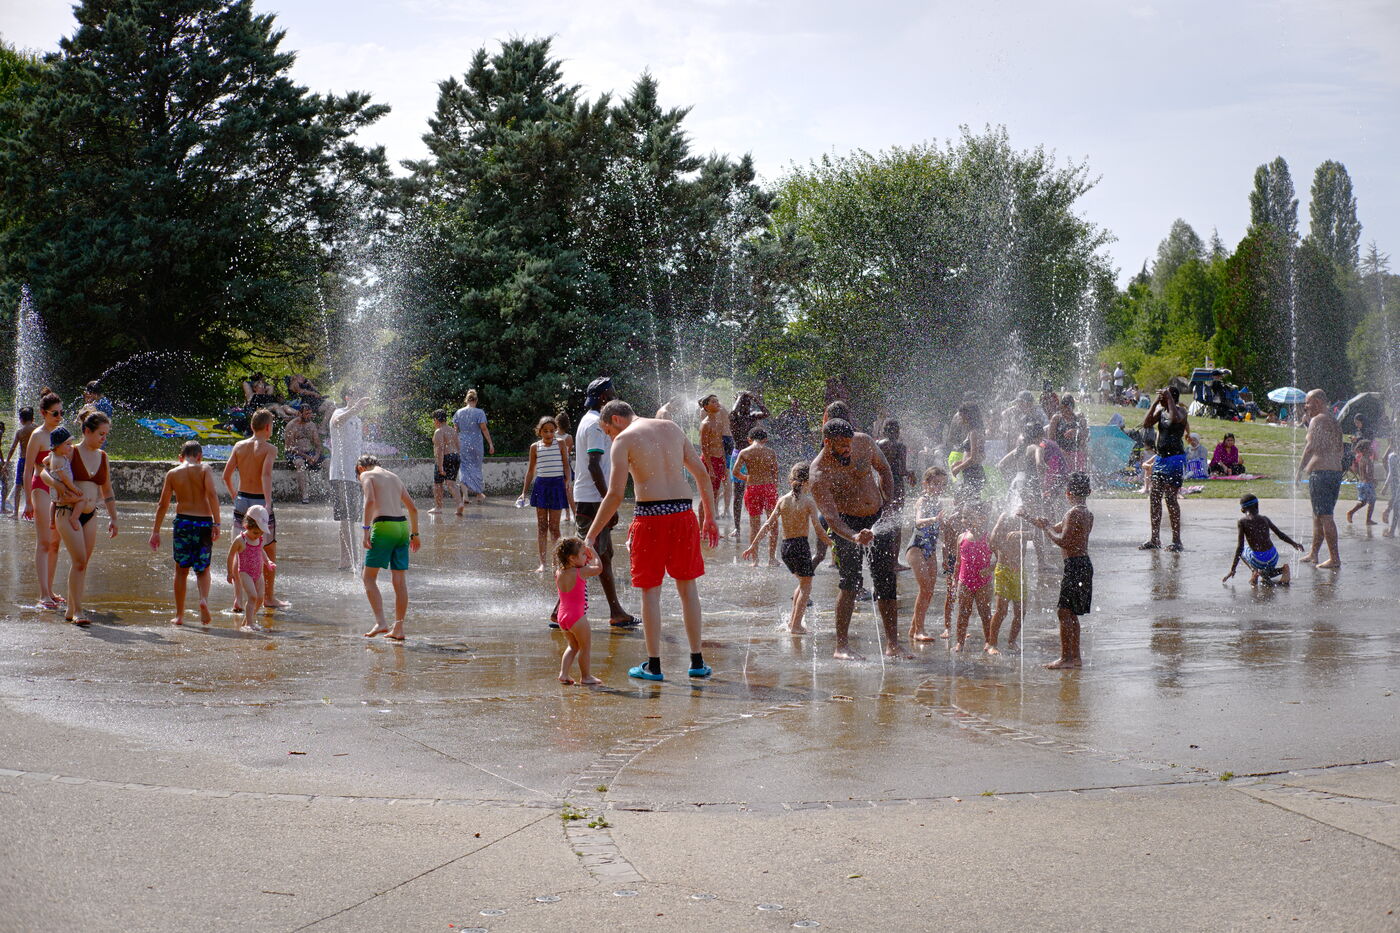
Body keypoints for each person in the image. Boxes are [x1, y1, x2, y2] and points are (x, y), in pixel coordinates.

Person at [584, 400, 720, 680]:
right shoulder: (672, 427)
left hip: (650, 517)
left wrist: (591, 534)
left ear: (616, 419)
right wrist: (710, 516)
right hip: (683, 514)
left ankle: (654, 666)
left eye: (607, 431)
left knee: (650, 592)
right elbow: (702, 474)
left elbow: (615, 494)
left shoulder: (624, 439)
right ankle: (696, 662)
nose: (609, 437)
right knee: (688, 588)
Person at [809, 418, 908, 660]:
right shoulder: (819, 472)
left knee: (886, 580)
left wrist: (888, 503)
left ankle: (893, 644)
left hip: (877, 518)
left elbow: (884, 470)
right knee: (850, 583)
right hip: (846, 526)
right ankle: (841, 647)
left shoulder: (863, 442)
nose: (848, 449)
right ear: (827, 442)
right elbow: (831, 518)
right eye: (842, 445)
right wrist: (854, 536)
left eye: (849, 443)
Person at [571, 378, 638, 629]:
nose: (615, 397)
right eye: (612, 393)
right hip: (593, 500)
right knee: (587, 555)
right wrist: (608, 501)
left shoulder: (589, 421)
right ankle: (563, 611)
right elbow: (593, 466)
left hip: (590, 498)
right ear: (603, 398)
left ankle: (615, 611)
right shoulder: (596, 425)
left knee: (601, 555)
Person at [42, 411, 118, 625]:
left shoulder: (103, 457)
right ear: (87, 431)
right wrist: (56, 484)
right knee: (79, 560)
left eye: (106, 434)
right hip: (67, 512)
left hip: (90, 514)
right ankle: (78, 611)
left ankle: (70, 609)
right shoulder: (70, 451)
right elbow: (42, 470)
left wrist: (114, 518)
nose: (104, 438)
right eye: (101, 434)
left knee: (82, 564)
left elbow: (107, 490)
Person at [743, 463, 833, 634]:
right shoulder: (808, 502)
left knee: (802, 583)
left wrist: (753, 545)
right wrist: (831, 543)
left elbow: (768, 524)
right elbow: (818, 529)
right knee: (806, 587)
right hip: (800, 546)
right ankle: (796, 626)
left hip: (785, 548)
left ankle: (793, 622)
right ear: (808, 481)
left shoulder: (782, 500)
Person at [1022, 471, 1095, 670]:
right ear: (1089, 491)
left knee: (1064, 612)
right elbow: (1052, 527)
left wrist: (1046, 528)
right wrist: (1028, 517)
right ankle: (1075, 658)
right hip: (1082, 565)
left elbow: (1062, 540)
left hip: (1075, 566)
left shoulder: (1073, 513)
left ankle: (1065, 658)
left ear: (1067, 493)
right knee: (1071, 613)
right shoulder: (1086, 513)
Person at [150, 440, 222, 625]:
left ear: (180, 457)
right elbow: (212, 495)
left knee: (181, 571)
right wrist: (217, 523)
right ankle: (203, 599)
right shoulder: (204, 469)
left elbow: (163, 504)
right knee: (203, 569)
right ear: (200, 456)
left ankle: (180, 615)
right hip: (203, 523)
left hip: (183, 522)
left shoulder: (173, 473)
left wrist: (156, 531)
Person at [223, 409, 287, 610]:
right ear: (268, 427)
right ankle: (269, 597)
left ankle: (237, 599)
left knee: (239, 548)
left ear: (252, 426)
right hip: (260, 501)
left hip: (242, 499)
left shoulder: (239, 446)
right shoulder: (269, 448)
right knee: (268, 548)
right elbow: (265, 475)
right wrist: (267, 503)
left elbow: (226, 475)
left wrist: (234, 495)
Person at [358, 454, 421, 640]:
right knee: (399, 581)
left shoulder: (366, 475)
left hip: (384, 527)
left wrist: (366, 531)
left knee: (368, 577)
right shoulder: (394, 477)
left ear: (360, 468)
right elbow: (413, 508)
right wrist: (415, 534)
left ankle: (381, 622)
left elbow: (370, 501)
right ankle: (398, 628)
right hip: (402, 527)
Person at [23, 391, 67, 608]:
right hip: (40, 487)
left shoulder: (61, 433)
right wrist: (27, 501)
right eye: (54, 413)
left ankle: (50, 590)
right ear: (43, 413)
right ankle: (43, 594)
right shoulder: (37, 435)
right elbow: (27, 469)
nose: (59, 416)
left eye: (61, 412)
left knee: (55, 542)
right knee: (44, 541)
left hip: (58, 490)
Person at [1295, 389, 1343, 569]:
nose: (1305, 407)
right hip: (1335, 473)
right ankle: (1314, 553)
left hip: (1321, 474)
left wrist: (1300, 470)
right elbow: (1339, 448)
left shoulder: (1317, 420)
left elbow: (1310, 447)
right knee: (1318, 515)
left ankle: (1334, 558)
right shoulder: (1334, 421)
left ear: (1317, 402)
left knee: (1325, 516)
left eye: (1307, 402)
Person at [519, 416, 574, 572]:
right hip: (541, 486)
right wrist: (523, 492)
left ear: (555, 430)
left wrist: (568, 481)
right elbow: (531, 471)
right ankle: (542, 563)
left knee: (554, 527)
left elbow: (566, 465)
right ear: (539, 432)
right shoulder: (535, 447)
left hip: (557, 485)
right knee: (542, 526)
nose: (549, 434)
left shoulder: (560, 443)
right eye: (545, 431)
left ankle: (557, 562)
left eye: (551, 431)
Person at [1140, 387, 1189, 551]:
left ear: (1170, 397)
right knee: (1154, 497)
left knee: (1170, 498)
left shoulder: (1181, 411)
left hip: (1175, 459)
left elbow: (1174, 419)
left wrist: (1168, 399)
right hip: (1161, 459)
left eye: (1162, 396)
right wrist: (1154, 403)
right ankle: (1154, 539)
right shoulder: (1161, 412)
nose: (1160, 398)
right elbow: (1146, 423)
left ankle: (1177, 540)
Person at [903, 467, 949, 643]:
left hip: (930, 551)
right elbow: (918, 522)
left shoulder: (939, 504)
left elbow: (940, 532)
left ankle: (913, 628)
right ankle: (919, 631)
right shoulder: (923, 501)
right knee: (925, 588)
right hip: (916, 548)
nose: (939, 488)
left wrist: (948, 544)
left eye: (943, 485)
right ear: (926, 484)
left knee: (929, 591)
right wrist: (934, 519)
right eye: (936, 484)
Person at [553, 538, 605, 685]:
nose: (586, 556)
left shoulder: (559, 572)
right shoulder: (580, 572)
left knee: (573, 646)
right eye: (583, 554)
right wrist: (593, 551)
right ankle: (586, 677)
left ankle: (563, 674)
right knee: (585, 647)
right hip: (577, 617)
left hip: (562, 617)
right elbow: (599, 568)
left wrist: (583, 554)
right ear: (572, 558)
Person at [329, 389, 370, 570]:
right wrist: (354, 409)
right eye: (355, 397)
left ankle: (352, 558)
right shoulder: (339, 412)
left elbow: (357, 449)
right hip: (340, 474)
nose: (358, 401)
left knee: (353, 519)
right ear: (347, 398)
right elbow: (337, 422)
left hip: (354, 476)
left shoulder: (358, 420)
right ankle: (346, 560)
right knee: (345, 518)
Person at [1224, 493, 1303, 586]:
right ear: (1257, 506)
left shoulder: (1242, 522)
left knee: (1242, 551)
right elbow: (1280, 534)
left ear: (1242, 510)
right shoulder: (1265, 519)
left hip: (1258, 560)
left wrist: (1233, 569)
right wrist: (1294, 544)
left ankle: (1254, 571)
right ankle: (1283, 570)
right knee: (1265, 574)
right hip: (1273, 556)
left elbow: (1240, 547)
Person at [952, 501, 996, 655]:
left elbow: (1000, 559)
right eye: (964, 517)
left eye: (970, 517)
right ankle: (959, 641)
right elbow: (958, 562)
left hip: (983, 582)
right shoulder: (961, 537)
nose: (965, 520)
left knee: (985, 612)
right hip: (964, 581)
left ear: (983, 517)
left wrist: (989, 569)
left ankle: (989, 641)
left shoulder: (989, 538)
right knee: (963, 612)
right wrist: (955, 580)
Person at [731, 426, 780, 562]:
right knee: (773, 523)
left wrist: (747, 478)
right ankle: (772, 558)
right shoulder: (770, 452)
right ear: (765, 439)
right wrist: (774, 486)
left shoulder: (744, 452)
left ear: (749, 439)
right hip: (769, 488)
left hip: (752, 488)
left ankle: (755, 560)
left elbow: (735, 472)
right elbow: (775, 472)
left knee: (754, 525)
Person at [226, 505, 274, 632]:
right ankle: (250, 624)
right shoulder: (241, 540)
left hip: (258, 573)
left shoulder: (259, 539)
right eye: (255, 533)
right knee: (252, 596)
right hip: (245, 572)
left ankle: (247, 621)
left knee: (260, 598)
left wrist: (267, 561)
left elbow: (261, 551)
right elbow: (231, 555)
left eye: (261, 533)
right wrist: (230, 572)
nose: (258, 536)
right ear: (247, 525)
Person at [728, 391, 769, 534]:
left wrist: (755, 398)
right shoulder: (735, 418)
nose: (746, 406)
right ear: (738, 404)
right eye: (743, 404)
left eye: (748, 403)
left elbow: (766, 413)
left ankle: (759, 523)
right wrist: (740, 396)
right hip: (739, 455)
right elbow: (733, 412)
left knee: (757, 488)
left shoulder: (753, 416)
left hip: (753, 456)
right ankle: (737, 527)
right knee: (738, 492)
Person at [877, 419, 915, 564]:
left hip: (881, 484)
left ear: (884, 430)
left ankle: (881, 558)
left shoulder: (878, 444)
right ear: (897, 431)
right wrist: (911, 473)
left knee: (882, 519)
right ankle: (894, 562)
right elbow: (901, 470)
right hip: (896, 486)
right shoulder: (900, 446)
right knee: (896, 523)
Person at [989, 511, 1027, 651]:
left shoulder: (1025, 516)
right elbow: (993, 540)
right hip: (1004, 569)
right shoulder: (1005, 516)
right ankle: (992, 644)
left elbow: (1035, 534)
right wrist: (1009, 557)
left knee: (1021, 611)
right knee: (1001, 610)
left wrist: (1020, 533)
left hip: (1019, 571)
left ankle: (1012, 641)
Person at [453, 389, 494, 502]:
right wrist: (490, 444)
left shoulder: (459, 412)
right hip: (476, 443)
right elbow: (484, 429)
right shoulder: (479, 412)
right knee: (476, 467)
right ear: (476, 400)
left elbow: (455, 430)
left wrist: (453, 444)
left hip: (462, 443)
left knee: (463, 467)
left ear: (466, 400)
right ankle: (479, 494)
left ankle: (465, 496)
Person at [43, 427, 84, 533]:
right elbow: (65, 480)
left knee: (53, 502)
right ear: (57, 446)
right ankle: (74, 518)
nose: (71, 447)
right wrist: (75, 489)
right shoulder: (59, 460)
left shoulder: (52, 455)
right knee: (82, 500)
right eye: (68, 444)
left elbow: (44, 461)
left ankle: (52, 521)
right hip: (64, 490)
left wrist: (48, 466)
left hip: (54, 491)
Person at [283, 404, 326, 504]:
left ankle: (332, 492)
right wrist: (306, 457)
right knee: (300, 463)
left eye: (310, 413)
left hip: (310, 453)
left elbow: (318, 445)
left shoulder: (312, 425)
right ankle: (304, 495)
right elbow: (289, 447)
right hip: (295, 453)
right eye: (307, 414)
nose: (309, 416)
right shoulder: (291, 426)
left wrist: (316, 456)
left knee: (327, 462)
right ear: (299, 413)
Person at [429, 408, 464, 515]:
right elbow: (458, 446)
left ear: (436, 420)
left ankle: (438, 507)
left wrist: (440, 466)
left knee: (438, 484)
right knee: (451, 483)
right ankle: (459, 503)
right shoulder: (452, 430)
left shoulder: (439, 431)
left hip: (444, 458)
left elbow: (440, 449)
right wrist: (457, 459)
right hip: (455, 456)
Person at [947, 403, 986, 500]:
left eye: (961, 415)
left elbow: (973, 458)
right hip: (972, 472)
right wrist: (959, 463)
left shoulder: (974, 433)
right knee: (966, 501)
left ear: (968, 416)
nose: (959, 418)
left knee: (966, 502)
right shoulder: (974, 432)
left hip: (974, 473)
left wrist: (958, 468)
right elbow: (979, 456)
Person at [697, 395, 728, 511]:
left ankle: (710, 518)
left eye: (717, 401)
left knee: (715, 492)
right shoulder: (706, 424)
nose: (717, 403)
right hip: (709, 460)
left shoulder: (718, 423)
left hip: (719, 460)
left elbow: (720, 444)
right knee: (706, 494)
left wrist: (724, 463)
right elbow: (704, 447)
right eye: (713, 402)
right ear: (706, 407)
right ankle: (703, 520)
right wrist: (710, 468)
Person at [8, 407, 36, 518]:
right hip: (34, 460)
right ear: (32, 418)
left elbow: (12, 448)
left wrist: (7, 461)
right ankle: (35, 511)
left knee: (18, 486)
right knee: (34, 486)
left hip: (23, 460)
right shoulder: (37, 429)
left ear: (21, 419)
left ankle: (15, 513)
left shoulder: (20, 432)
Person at [1049, 396, 1083, 474]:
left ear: (1072, 408)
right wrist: (1061, 452)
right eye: (1062, 409)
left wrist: (1076, 432)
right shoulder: (1056, 418)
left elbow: (1085, 435)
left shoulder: (1078, 418)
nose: (1065, 412)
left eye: (1068, 409)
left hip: (1075, 452)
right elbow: (1051, 441)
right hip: (1059, 451)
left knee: (1082, 453)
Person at [1346, 438, 1377, 526]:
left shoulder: (1361, 459)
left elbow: (1360, 472)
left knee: (1363, 502)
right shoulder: (1367, 460)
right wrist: (1373, 480)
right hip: (1367, 484)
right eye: (1370, 447)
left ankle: (1351, 512)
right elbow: (1368, 472)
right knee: (1372, 502)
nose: (1372, 449)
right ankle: (1368, 520)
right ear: (1365, 449)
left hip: (1362, 483)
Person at [554, 410, 575, 526]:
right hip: (566, 466)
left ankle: (566, 514)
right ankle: (574, 514)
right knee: (568, 491)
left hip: (555, 466)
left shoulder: (552, 436)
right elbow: (568, 453)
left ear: (556, 423)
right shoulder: (569, 437)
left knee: (559, 491)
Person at [1381, 433, 1399, 539]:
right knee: (1396, 506)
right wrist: (1385, 486)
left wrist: (1385, 486)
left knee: (1396, 506)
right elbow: (1391, 473)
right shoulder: (1392, 457)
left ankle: (1392, 531)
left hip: (1397, 484)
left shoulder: (1393, 456)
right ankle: (1392, 531)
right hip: (1396, 484)